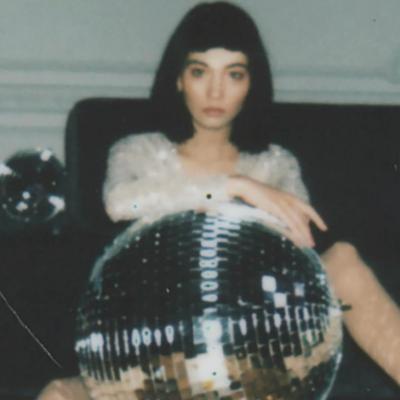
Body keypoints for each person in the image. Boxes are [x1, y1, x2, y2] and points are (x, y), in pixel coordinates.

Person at [38, 2, 400, 399]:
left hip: (253, 355)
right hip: (154, 356)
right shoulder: (138, 151)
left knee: (342, 260)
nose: (215, 91)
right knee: (58, 395)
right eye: (199, 72)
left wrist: (250, 190)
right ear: (178, 79)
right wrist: (231, 187)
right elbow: (120, 203)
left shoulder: (274, 164)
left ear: (251, 85)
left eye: (234, 74)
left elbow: (300, 259)